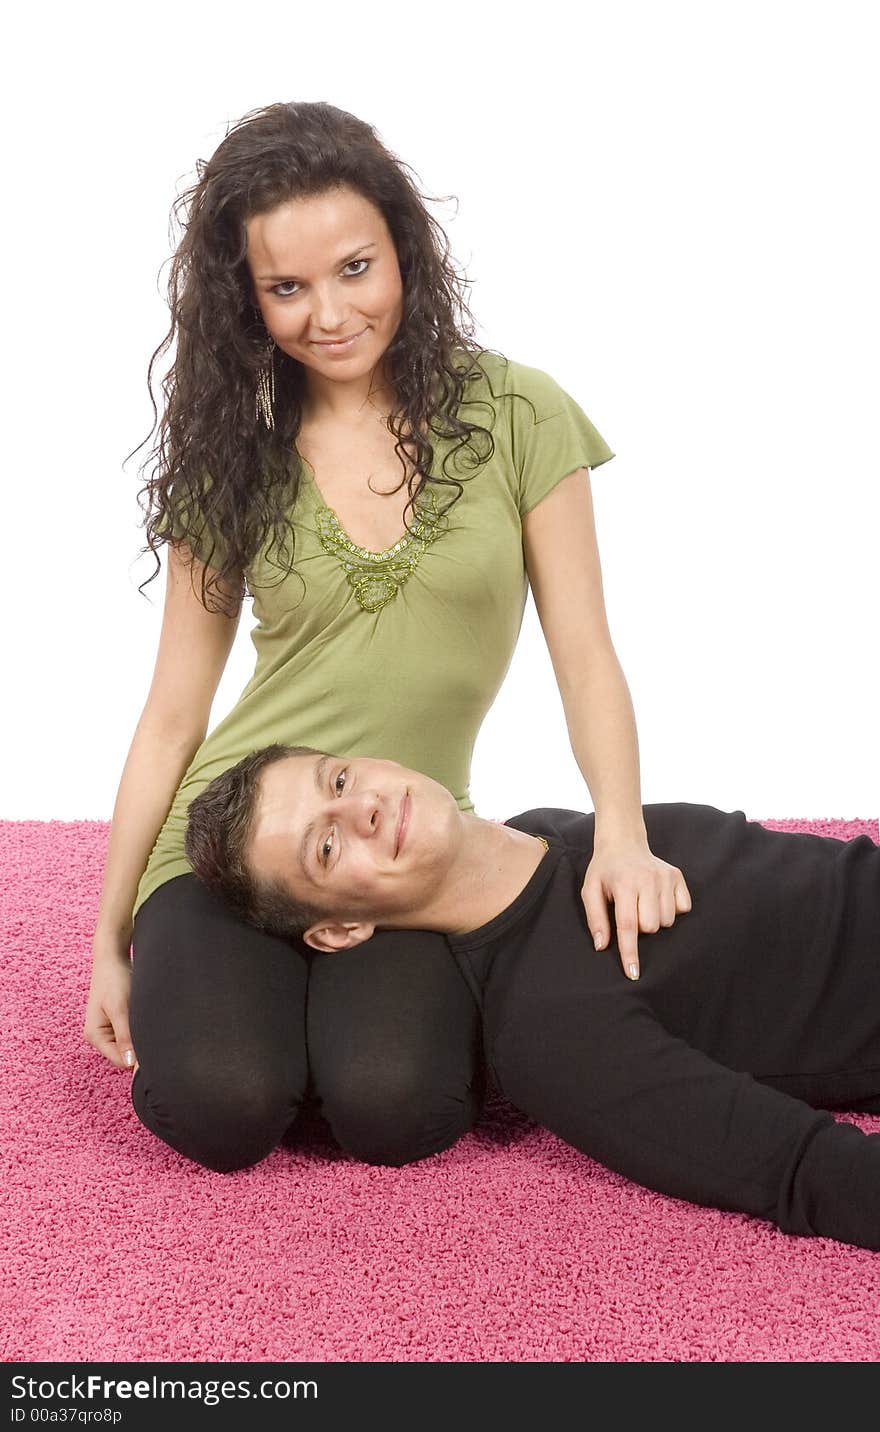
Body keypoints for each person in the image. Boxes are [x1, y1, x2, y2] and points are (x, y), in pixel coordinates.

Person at [83, 100, 692, 1175]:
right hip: (228, 838)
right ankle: (256, 1008)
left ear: (403, 248)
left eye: (355, 267)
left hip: (396, 844)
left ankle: (304, 1015)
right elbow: (174, 711)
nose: (329, 312)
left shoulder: (517, 414)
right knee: (224, 1103)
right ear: (247, 299)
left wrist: (622, 831)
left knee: (398, 1108)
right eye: (286, 287)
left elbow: (585, 653)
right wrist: (107, 934)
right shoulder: (237, 456)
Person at [184, 743, 880, 1251]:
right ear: (341, 928)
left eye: (339, 779)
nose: (361, 807)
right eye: (327, 848)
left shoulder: (566, 828)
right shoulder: (548, 1034)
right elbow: (805, 1170)